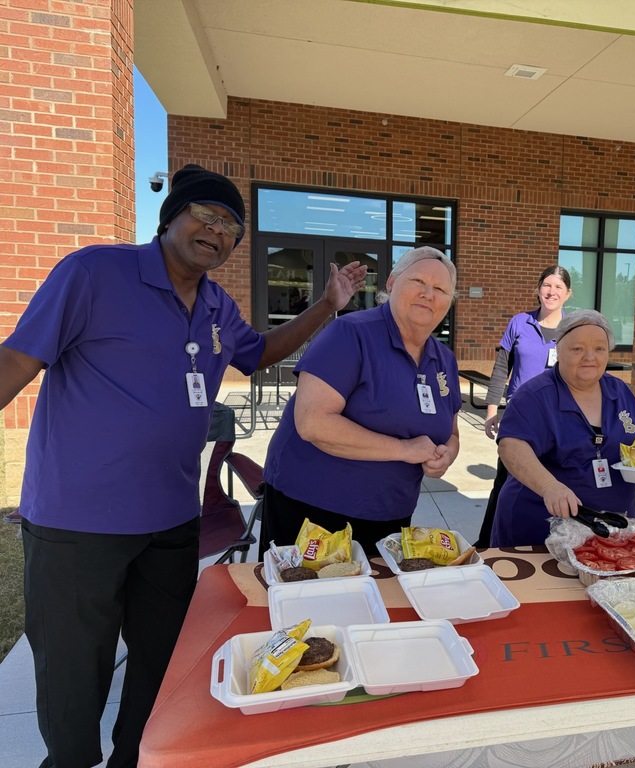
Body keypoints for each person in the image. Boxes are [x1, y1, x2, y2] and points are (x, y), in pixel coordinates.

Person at [0, 164, 367, 768]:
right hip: (78, 521)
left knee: (161, 661)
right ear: (170, 217)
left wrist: (328, 304)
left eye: (232, 228)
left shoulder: (217, 306)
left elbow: (260, 354)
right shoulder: (94, 272)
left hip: (170, 520)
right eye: (206, 215)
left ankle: (136, 758)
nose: (218, 232)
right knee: (72, 672)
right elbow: (18, 360)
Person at [258, 246, 461, 554]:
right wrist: (405, 450)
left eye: (440, 289)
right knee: (309, 599)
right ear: (391, 283)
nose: (428, 294)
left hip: (390, 513)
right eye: (418, 281)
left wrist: (448, 454)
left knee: (374, 600)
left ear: (450, 300)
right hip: (312, 511)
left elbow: (451, 430)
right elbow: (313, 423)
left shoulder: (444, 358)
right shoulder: (350, 334)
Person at [490, 310, 635, 547]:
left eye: (599, 349)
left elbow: (629, 444)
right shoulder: (534, 395)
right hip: (541, 530)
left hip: (610, 528)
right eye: (577, 349)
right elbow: (511, 447)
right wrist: (549, 487)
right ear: (558, 350)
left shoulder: (621, 393)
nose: (590, 356)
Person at [474, 265, 572, 547]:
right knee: (505, 481)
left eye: (558, 287)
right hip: (519, 418)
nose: (551, 292)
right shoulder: (519, 322)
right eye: (547, 285)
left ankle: (540, 543)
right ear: (538, 288)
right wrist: (492, 410)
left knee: (546, 482)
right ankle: (487, 543)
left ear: (567, 294)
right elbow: (501, 368)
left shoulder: (571, 329)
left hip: (556, 419)